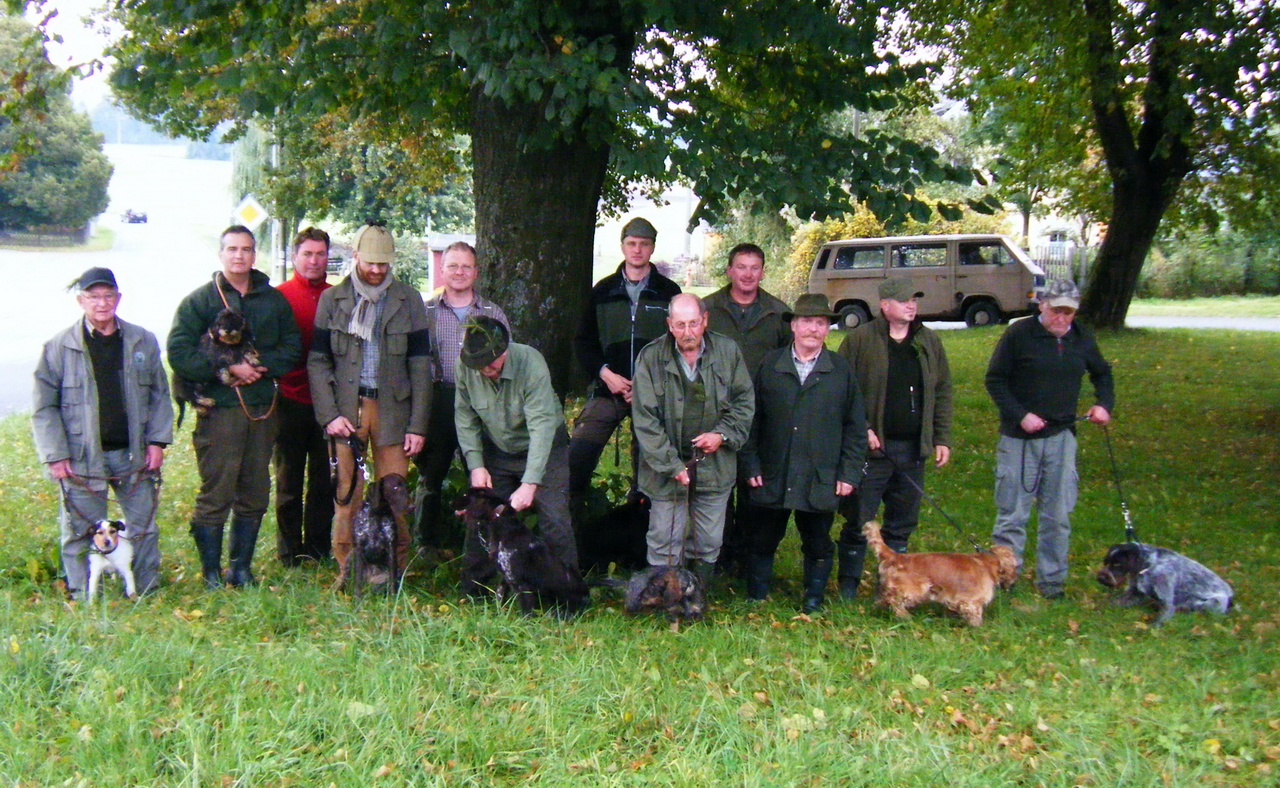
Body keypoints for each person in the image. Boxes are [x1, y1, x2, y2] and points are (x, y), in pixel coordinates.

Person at [169, 226, 300, 588]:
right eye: (231, 249)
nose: (239, 256)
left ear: (254, 255)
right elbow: (179, 353)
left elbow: (291, 347)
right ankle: (211, 573)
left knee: (255, 491)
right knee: (218, 491)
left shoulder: (273, 301)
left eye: (245, 249)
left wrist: (259, 367)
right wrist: (225, 368)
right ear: (221, 254)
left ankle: (241, 568)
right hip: (220, 409)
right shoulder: (200, 301)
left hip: (261, 409)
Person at [32, 267, 174, 600]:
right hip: (81, 458)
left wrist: (157, 441)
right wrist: (55, 454)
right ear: (81, 300)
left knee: (144, 527)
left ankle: (145, 590)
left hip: (133, 455)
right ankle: (83, 594)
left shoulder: (142, 340)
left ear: (118, 298)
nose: (101, 303)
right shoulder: (58, 347)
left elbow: (159, 394)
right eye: (93, 296)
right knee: (79, 530)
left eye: (108, 295)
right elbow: (44, 407)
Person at [308, 221, 432, 588]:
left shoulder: (409, 300)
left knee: (394, 494)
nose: (377, 271)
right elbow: (318, 362)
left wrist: (418, 424)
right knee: (347, 495)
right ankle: (349, 570)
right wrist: (329, 415)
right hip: (348, 410)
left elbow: (420, 365)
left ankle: (395, 571)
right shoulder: (333, 301)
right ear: (355, 256)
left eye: (384, 264)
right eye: (370, 263)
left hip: (395, 411)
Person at [985, 279, 1114, 599]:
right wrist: (1020, 415)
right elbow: (995, 380)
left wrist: (1103, 404)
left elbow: (1103, 372)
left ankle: (1052, 583)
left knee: (1057, 515)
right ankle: (1006, 579)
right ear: (1042, 305)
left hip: (1062, 436)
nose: (1062, 318)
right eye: (1057, 310)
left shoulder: (1081, 336)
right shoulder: (1018, 334)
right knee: (1012, 513)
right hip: (1019, 439)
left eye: (1069, 312)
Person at [740, 293, 866, 611]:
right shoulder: (770, 365)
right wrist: (751, 463)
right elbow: (751, 419)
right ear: (794, 325)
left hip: (820, 475)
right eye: (807, 321)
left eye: (820, 322)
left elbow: (855, 427)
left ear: (828, 329)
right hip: (773, 471)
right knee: (762, 539)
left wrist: (849, 473)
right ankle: (756, 595)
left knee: (818, 543)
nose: (813, 328)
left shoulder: (840, 370)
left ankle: (813, 597)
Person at [834, 277, 954, 598]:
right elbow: (842, 391)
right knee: (860, 520)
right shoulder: (860, 341)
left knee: (901, 524)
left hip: (914, 449)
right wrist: (862, 427)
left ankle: (889, 587)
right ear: (884, 305)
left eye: (914, 299)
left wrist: (941, 438)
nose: (911, 305)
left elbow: (942, 391)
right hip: (873, 451)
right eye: (903, 300)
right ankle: (847, 586)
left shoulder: (928, 342)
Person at [631, 293, 755, 588]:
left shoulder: (728, 351)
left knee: (709, 539)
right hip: (665, 468)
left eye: (694, 324)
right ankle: (663, 595)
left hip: (715, 463)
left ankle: (697, 595)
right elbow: (645, 420)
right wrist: (671, 464)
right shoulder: (650, 357)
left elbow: (744, 402)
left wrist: (722, 435)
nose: (688, 333)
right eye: (680, 325)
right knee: (664, 538)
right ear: (669, 325)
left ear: (705, 321)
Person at [570, 217, 681, 508]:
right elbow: (583, 342)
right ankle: (576, 520)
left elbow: (680, 346)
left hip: (653, 394)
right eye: (632, 244)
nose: (637, 250)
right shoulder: (603, 291)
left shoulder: (669, 292)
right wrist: (606, 374)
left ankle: (639, 528)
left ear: (652, 248)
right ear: (622, 246)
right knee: (578, 455)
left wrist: (648, 385)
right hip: (609, 389)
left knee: (648, 466)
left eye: (644, 244)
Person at [454, 316, 578, 577]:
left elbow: (542, 426)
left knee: (554, 520)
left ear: (505, 350)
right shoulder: (466, 367)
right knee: (481, 516)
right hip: (498, 449)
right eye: (478, 364)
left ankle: (568, 592)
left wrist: (530, 483)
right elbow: (465, 417)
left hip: (545, 449)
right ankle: (477, 589)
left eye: (491, 362)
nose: (485, 369)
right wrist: (476, 466)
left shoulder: (531, 363)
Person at [414, 241, 509, 555]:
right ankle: (425, 543)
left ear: (476, 272)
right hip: (440, 398)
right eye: (452, 266)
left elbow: (506, 359)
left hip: (483, 400)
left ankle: (483, 545)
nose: (459, 272)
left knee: (482, 471)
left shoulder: (492, 313)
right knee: (432, 472)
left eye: (466, 266)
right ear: (442, 270)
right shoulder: (425, 312)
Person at [703, 242, 791, 575]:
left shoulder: (779, 313)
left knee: (754, 488)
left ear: (763, 272)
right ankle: (720, 555)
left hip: (762, 414)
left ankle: (749, 556)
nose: (748, 274)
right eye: (741, 267)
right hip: (716, 414)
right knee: (718, 489)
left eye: (755, 268)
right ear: (729, 270)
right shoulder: (709, 308)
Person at [273, 227, 335, 566]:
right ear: (295, 256)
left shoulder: (336, 297)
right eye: (307, 254)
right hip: (288, 400)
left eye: (320, 254)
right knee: (288, 479)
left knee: (324, 481)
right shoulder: (279, 297)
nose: (314, 261)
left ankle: (317, 546)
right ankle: (288, 550)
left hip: (328, 404)